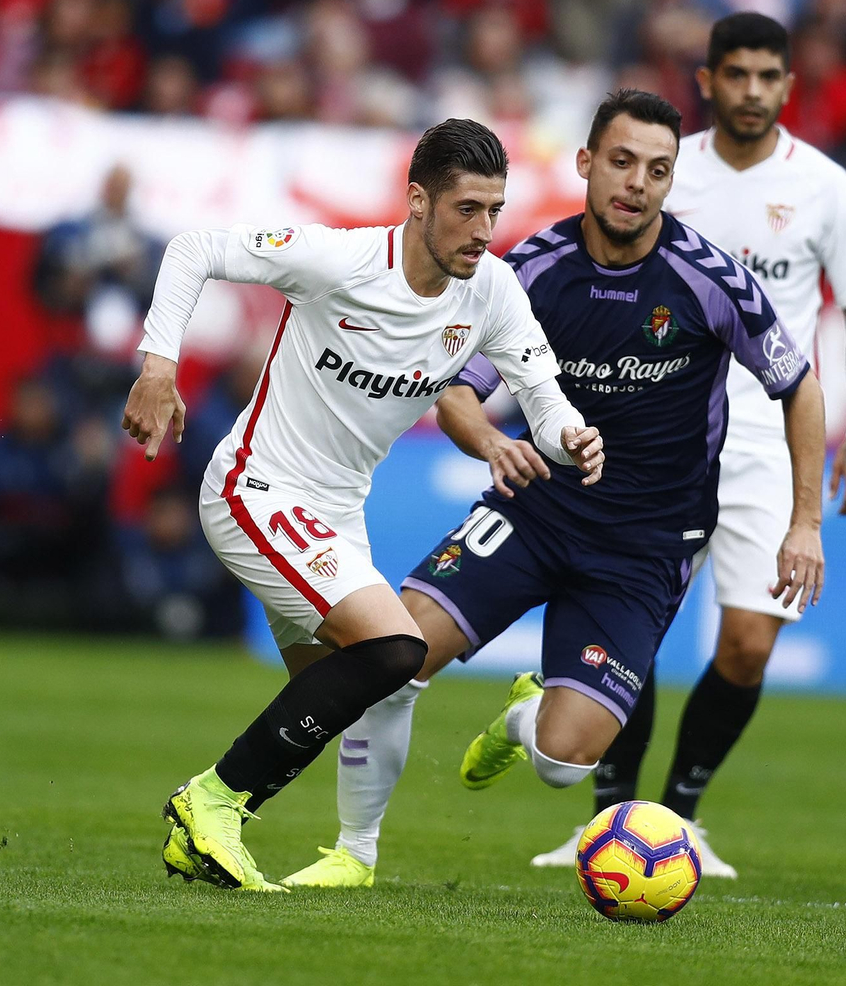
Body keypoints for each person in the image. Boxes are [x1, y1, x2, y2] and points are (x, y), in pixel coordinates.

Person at [282, 88, 827, 889]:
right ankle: (352, 854)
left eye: (657, 169)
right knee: (387, 658)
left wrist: (805, 521)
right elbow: (457, 390)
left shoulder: (709, 279)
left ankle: (520, 715)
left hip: (643, 547)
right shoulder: (529, 271)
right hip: (534, 512)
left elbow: (799, 386)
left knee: (562, 766)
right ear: (585, 164)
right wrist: (495, 444)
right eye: (621, 161)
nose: (636, 183)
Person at [122, 118, 602, 891]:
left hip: (334, 513)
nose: (484, 231)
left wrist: (571, 436)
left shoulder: (493, 290)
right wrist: (158, 366)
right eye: (466, 209)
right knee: (396, 649)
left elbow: (543, 402)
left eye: (494, 210)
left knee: (367, 685)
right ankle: (210, 798)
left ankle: (347, 858)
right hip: (256, 488)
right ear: (418, 201)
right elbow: (195, 248)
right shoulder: (339, 260)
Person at [528, 12, 846, 877]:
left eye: (770, 76)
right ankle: (610, 815)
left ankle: (678, 818)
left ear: (789, 87)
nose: (753, 91)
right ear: (708, 81)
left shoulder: (826, 187)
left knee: (748, 644)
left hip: (767, 432)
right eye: (738, 75)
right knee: (632, 629)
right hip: (654, 428)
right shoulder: (659, 168)